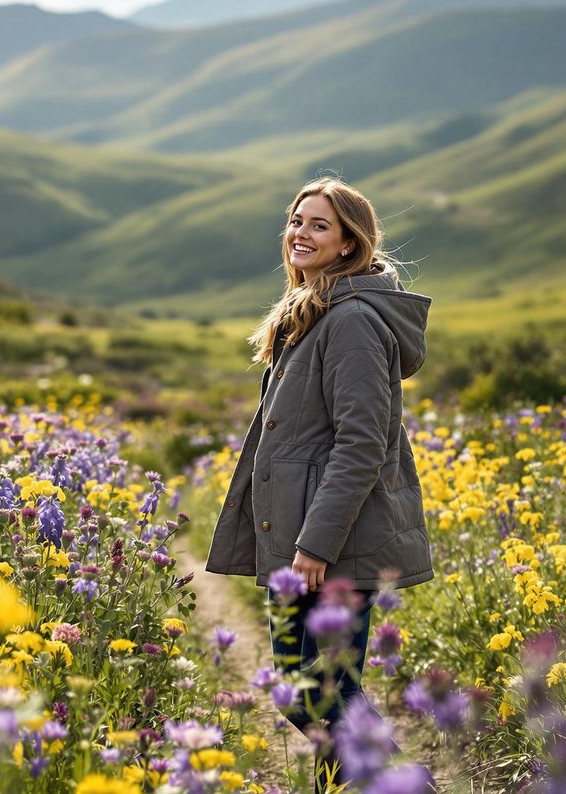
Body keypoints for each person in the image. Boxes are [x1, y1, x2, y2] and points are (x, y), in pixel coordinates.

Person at [204, 177, 434, 789]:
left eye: (319, 225)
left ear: (349, 245)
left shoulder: (353, 320)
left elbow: (363, 446)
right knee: (309, 693)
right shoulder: (312, 312)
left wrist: (315, 546)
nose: (301, 233)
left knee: (322, 694)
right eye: (296, 220)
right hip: (304, 541)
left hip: (333, 546)